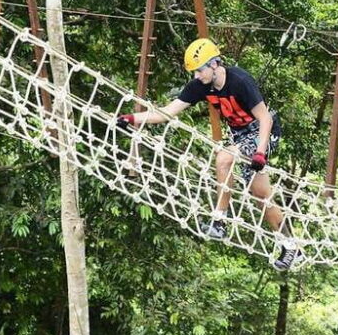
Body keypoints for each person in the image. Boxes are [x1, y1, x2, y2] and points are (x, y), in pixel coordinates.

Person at [117, 38, 303, 271]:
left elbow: (265, 118)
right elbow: (167, 113)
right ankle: (292, 247)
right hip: (240, 138)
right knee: (262, 197)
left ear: (215, 64)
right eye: (194, 72)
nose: (197, 76)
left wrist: (260, 152)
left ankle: (219, 220)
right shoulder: (200, 86)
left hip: (264, 134)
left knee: (224, 158)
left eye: (200, 70)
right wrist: (131, 119)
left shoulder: (240, 81)